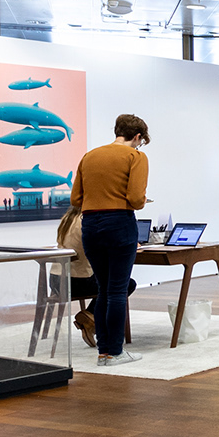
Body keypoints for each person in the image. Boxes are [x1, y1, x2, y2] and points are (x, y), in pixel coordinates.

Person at [70, 114, 151, 366]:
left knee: (103, 289)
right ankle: (114, 352)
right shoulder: (136, 157)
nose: (140, 145)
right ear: (137, 136)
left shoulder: (90, 156)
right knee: (117, 290)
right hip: (119, 223)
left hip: (90, 224)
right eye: (141, 141)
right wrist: (139, 201)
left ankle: (104, 352)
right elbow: (136, 198)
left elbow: (75, 199)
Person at [55, 204, 134, 349]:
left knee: (108, 282)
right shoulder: (87, 221)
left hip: (56, 279)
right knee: (125, 284)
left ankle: (90, 318)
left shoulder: (66, 219)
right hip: (78, 281)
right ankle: (90, 317)